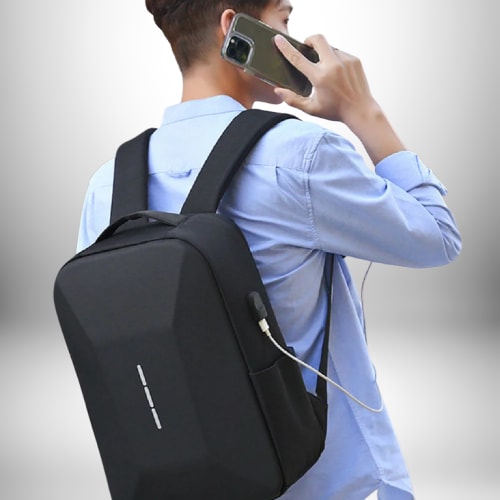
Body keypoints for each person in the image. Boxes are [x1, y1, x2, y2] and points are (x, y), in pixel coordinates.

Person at [77, 1, 462, 498]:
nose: (296, 41)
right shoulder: (300, 156)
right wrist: (361, 110)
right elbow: (438, 236)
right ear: (233, 29)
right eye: (284, 21)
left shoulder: (108, 186)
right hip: (322, 483)